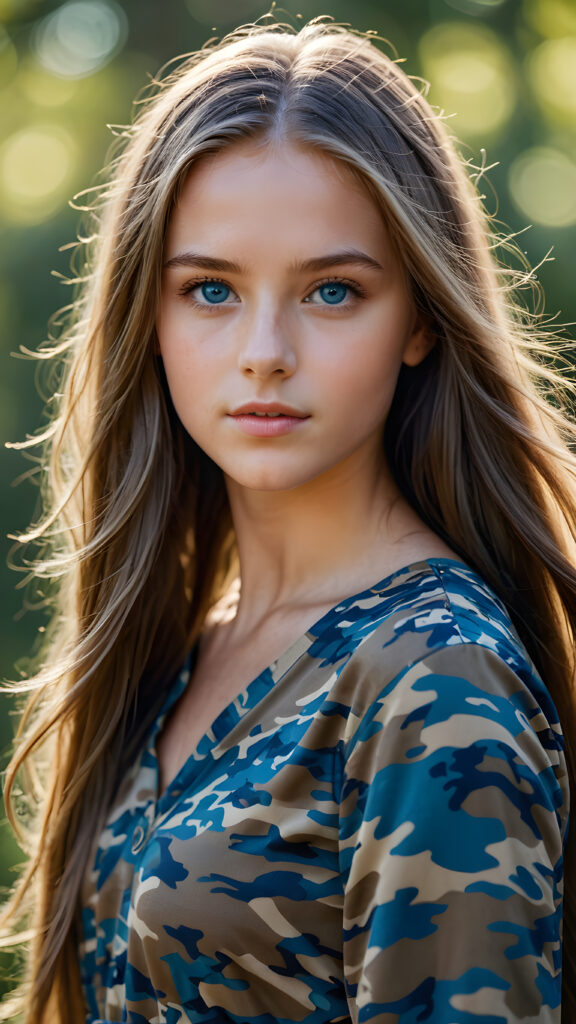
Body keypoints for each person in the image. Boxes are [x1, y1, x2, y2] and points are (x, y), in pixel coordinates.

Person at [2, 15, 576, 1024]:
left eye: (333, 290)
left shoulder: (434, 674)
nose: (265, 350)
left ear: (421, 319)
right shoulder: (181, 643)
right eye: (212, 289)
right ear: (151, 314)